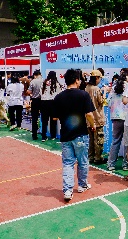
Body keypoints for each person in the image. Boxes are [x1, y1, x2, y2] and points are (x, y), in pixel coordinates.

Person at [54, 69, 96, 201]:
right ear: (77, 80)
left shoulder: (59, 97)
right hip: (80, 134)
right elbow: (89, 114)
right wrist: (93, 125)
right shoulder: (83, 95)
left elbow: (55, 118)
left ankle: (67, 190)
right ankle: (82, 185)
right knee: (82, 161)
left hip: (66, 135)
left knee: (67, 163)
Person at [107, 69, 128, 172]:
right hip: (127, 117)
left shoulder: (114, 88)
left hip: (115, 117)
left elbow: (108, 102)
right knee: (127, 142)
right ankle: (125, 164)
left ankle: (111, 164)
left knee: (115, 141)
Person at [85, 69, 107, 164]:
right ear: (97, 78)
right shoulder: (96, 89)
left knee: (91, 139)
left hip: (89, 118)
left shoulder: (87, 88)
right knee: (98, 139)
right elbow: (101, 102)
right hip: (97, 117)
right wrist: (105, 93)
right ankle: (98, 158)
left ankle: (91, 156)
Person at [40, 71, 63, 141]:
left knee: (44, 121)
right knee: (53, 120)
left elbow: (40, 93)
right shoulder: (56, 83)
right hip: (53, 102)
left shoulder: (44, 83)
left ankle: (44, 136)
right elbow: (59, 94)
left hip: (44, 102)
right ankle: (53, 135)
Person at [27, 70, 44, 141]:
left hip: (35, 101)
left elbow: (29, 91)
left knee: (34, 118)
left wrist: (31, 93)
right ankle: (44, 134)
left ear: (35, 75)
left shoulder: (33, 81)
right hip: (43, 100)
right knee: (44, 118)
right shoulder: (44, 81)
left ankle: (34, 135)